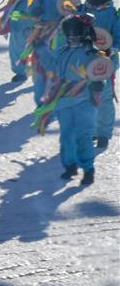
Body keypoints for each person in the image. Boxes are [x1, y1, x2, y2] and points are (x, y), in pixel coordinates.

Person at [42, 14, 105, 185]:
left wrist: (98, 84)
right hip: (64, 100)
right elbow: (50, 54)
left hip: (84, 100)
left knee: (83, 135)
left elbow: (100, 70)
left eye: (74, 32)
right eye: (68, 33)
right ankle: (70, 165)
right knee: (66, 135)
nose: (71, 36)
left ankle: (88, 168)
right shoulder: (63, 51)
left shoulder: (91, 53)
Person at [25, 0, 80, 105]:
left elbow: (74, 11)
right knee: (40, 68)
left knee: (55, 68)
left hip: (59, 36)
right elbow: (32, 7)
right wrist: (34, 10)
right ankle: (40, 102)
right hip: (41, 32)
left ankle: (55, 101)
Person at [79, 0, 119, 148]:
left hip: (106, 61)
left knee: (104, 96)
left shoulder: (112, 14)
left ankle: (103, 133)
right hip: (85, 59)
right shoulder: (82, 10)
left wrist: (111, 49)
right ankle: (91, 130)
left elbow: (118, 38)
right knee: (86, 95)